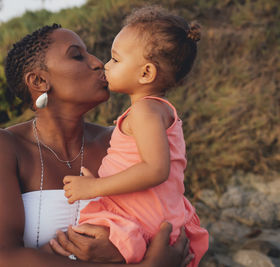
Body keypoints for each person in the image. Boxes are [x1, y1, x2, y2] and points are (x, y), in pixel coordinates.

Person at [0, 22, 193, 266]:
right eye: (77, 56)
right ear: (39, 81)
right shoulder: (1, 146)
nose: (98, 62)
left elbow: (168, 226)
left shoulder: (121, 144)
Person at [62, 6, 209, 266]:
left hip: (140, 220)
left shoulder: (144, 111)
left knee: (74, 243)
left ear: (146, 73)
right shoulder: (156, 110)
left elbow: (155, 169)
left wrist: (94, 187)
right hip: (156, 214)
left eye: (115, 60)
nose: (106, 65)